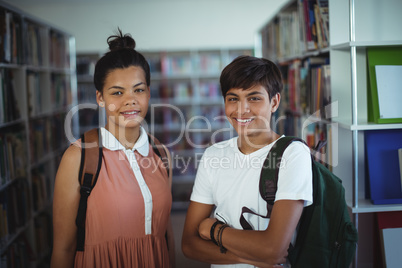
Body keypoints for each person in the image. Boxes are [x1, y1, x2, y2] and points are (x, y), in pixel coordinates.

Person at [51, 29, 175, 268]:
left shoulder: (161, 154)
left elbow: (166, 235)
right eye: (117, 92)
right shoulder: (78, 157)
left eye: (138, 90)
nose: (130, 100)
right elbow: (63, 248)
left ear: (149, 93)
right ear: (100, 98)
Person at [182, 56, 313, 268]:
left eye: (253, 98)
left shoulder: (293, 154)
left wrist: (213, 230)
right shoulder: (214, 155)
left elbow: (273, 249)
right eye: (233, 99)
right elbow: (189, 244)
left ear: (274, 102)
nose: (242, 110)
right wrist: (248, 257)